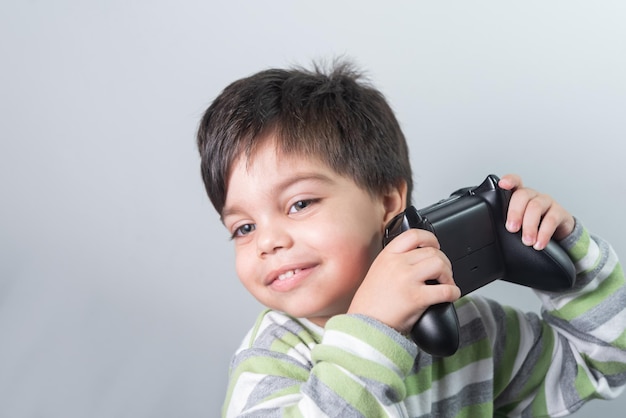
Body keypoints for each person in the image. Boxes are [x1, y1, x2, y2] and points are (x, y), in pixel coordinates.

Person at [196, 61, 626, 417]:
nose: (266, 242)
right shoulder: (270, 361)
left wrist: (572, 252)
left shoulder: (471, 328)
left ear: (387, 203)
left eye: (300, 204)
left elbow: (602, 361)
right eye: (244, 228)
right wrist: (373, 331)